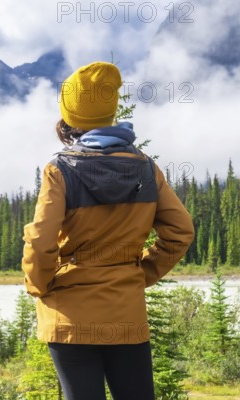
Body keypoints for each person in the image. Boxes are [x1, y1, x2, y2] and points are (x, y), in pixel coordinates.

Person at [21, 61, 195, 400]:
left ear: (70, 115)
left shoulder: (59, 170)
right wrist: (137, 274)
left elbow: (41, 242)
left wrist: (39, 285)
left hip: (70, 317)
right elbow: (180, 232)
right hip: (126, 313)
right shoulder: (146, 167)